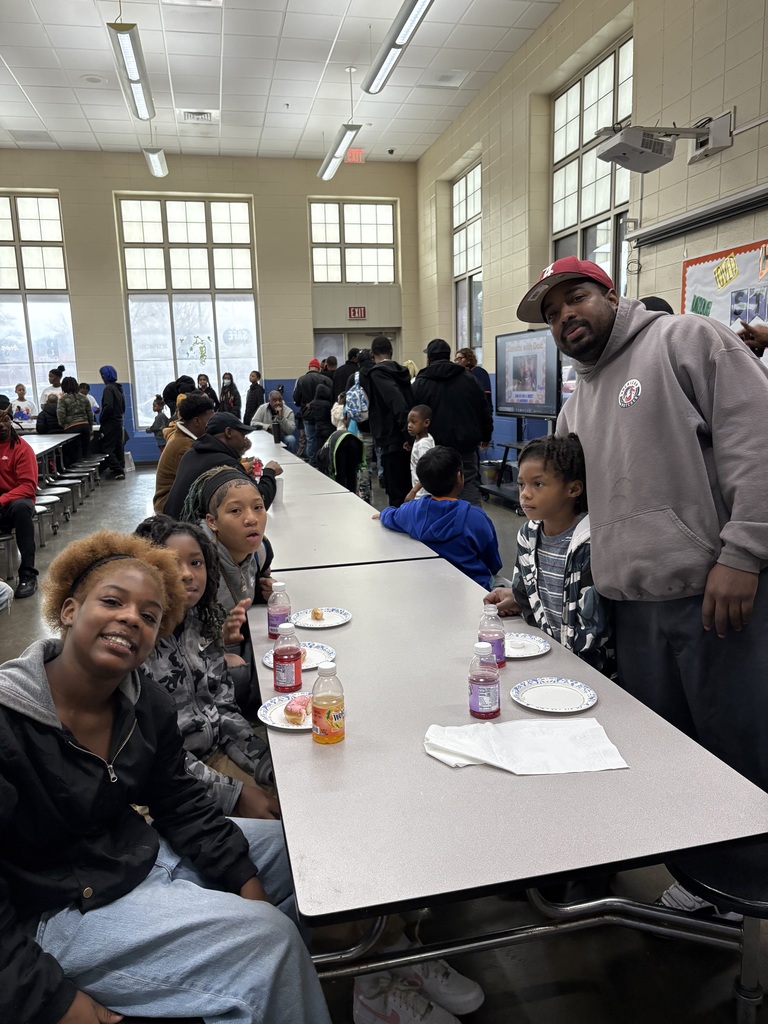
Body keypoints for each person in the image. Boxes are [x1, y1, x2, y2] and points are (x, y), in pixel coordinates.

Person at [0, 528, 331, 1024]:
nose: (131, 618)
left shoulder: (142, 702)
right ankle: (263, 976)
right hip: (59, 909)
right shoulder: (10, 723)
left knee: (295, 854)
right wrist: (52, 1000)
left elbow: (180, 801)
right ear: (68, 611)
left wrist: (246, 882)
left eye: (150, 616)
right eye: (112, 601)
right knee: (271, 942)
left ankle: (259, 991)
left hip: (135, 857)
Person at [516, 256, 768, 798]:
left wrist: (744, 553)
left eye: (576, 298)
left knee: (740, 748)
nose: (565, 316)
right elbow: (567, 512)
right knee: (667, 750)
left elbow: (756, 444)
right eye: (553, 313)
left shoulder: (687, 340)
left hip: (713, 595)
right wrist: (531, 586)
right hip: (628, 609)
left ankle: (750, 880)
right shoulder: (574, 409)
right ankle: (694, 877)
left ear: (611, 295)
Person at [135, 515, 279, 819]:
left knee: (289, 800)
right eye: (172, 564)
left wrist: (266, 765)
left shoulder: (200, 624)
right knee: (275, 832)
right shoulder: (136, 648)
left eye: (196, 563)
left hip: (213, 754)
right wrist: (235, 795)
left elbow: (223, 708)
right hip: (165, 786)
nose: (187, 574)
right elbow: (155, 760)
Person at [485, 434, 613, 674]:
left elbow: (595, 626)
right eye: (522, 484)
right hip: (546, 656)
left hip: (590, 670)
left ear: (573, 489)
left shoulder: (591, 543)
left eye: (538, 484)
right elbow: (526, 595)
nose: (525, 494)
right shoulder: (527, 535)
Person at [181, 467, 274, 716]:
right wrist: (215, 646)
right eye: (235, 511)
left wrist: (265, 589)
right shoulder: (195, 564)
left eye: (258, 507)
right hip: (196, 658)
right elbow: (171, 638)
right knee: (237, 671)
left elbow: (255, 578)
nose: (251, 518)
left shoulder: (260, 551)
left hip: (236, 642)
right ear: (212, 522)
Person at [375, 446, 502, 589]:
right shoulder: (476, 518)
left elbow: (391, 516)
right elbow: (493, 563)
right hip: (472, 588)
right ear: (459, 477)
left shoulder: (411, 511)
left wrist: (383, 513)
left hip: (429, 588)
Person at [412, 339, 492, 507]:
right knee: (468, 484)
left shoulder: (420, 383)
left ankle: (440, 527)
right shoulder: (468, 378)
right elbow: (483, 408)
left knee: (434, 489)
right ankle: (472, 525)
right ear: (448, 356)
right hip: (465, 446)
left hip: (433, 449)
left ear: (430, 358)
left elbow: (413, 414)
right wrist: (486, 434)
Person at [164, 411, 281, 520]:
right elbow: (258, 503)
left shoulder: (192, 453)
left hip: (172, 528)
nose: (245, 439)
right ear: (228, 432)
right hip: (190, 535)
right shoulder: (225, 463)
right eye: (242, 434)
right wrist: (269, 472)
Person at [359, 336, 413, 506]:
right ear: (391, 351)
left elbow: (396, 403)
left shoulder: (378, 374)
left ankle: (398, 527)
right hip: (405, 438)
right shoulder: (402, 373)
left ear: (371, 354)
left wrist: (406, 435)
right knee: (405, 488)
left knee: (396, 493)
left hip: (393, 439)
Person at [153, 391, 215, 513]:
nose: (213, 423)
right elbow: (205, 477)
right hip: (168, 506)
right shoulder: (185, 447)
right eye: (210, 420)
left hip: (173, 500)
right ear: (196, 421)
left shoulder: (184, 437)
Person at [0, 405, 39, 597]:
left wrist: (2, 500)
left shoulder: (22, 448)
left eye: (5, 419)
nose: (2, 425)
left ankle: (27, 574)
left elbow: (28, 487)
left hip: (15, 504)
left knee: (23, 507)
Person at [293, 358, 326, 466]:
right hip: (323, 414)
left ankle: (313, 463)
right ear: (319, 368)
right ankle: (323, 463)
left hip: (307, 414)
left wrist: (304, 405)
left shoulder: (301, 380)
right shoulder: (325, 379)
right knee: (322, 438)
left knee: (310, 439)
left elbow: (296, 399)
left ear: (309, 367)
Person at [98, 365, 126, 480]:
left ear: (104, 376)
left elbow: (108, 406)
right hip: (118, 421)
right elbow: (123, 407)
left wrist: (102, 417)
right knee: (118, 447)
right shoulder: (119, 388)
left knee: (106, 448)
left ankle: (117, 470)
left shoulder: (108, 389)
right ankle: (120, 469)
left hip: (110, 423)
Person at [57, 375, 94, 461]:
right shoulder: (84, 397)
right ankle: (89, 471)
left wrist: (63, 425)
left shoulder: (63, 399)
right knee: (86, 451)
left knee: (75, 453)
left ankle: (78, 471)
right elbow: (90, 413)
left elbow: (61, 414)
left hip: (71, 427)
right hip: (85, 425)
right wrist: (90, 427)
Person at [403, 403, 435, 501]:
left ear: (426, 423)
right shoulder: (426, 439)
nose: (409, 425)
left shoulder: (423, 445)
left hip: (422, 494)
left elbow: (427, 471)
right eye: (408, 422)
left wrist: (413, 491)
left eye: (413, 422)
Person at [455, 348, 493, 413]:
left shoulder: (479, 372)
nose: (457, 362)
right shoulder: (459, 374)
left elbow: (486, 395)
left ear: (468, 359)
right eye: (456, 359)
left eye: (460, 358)